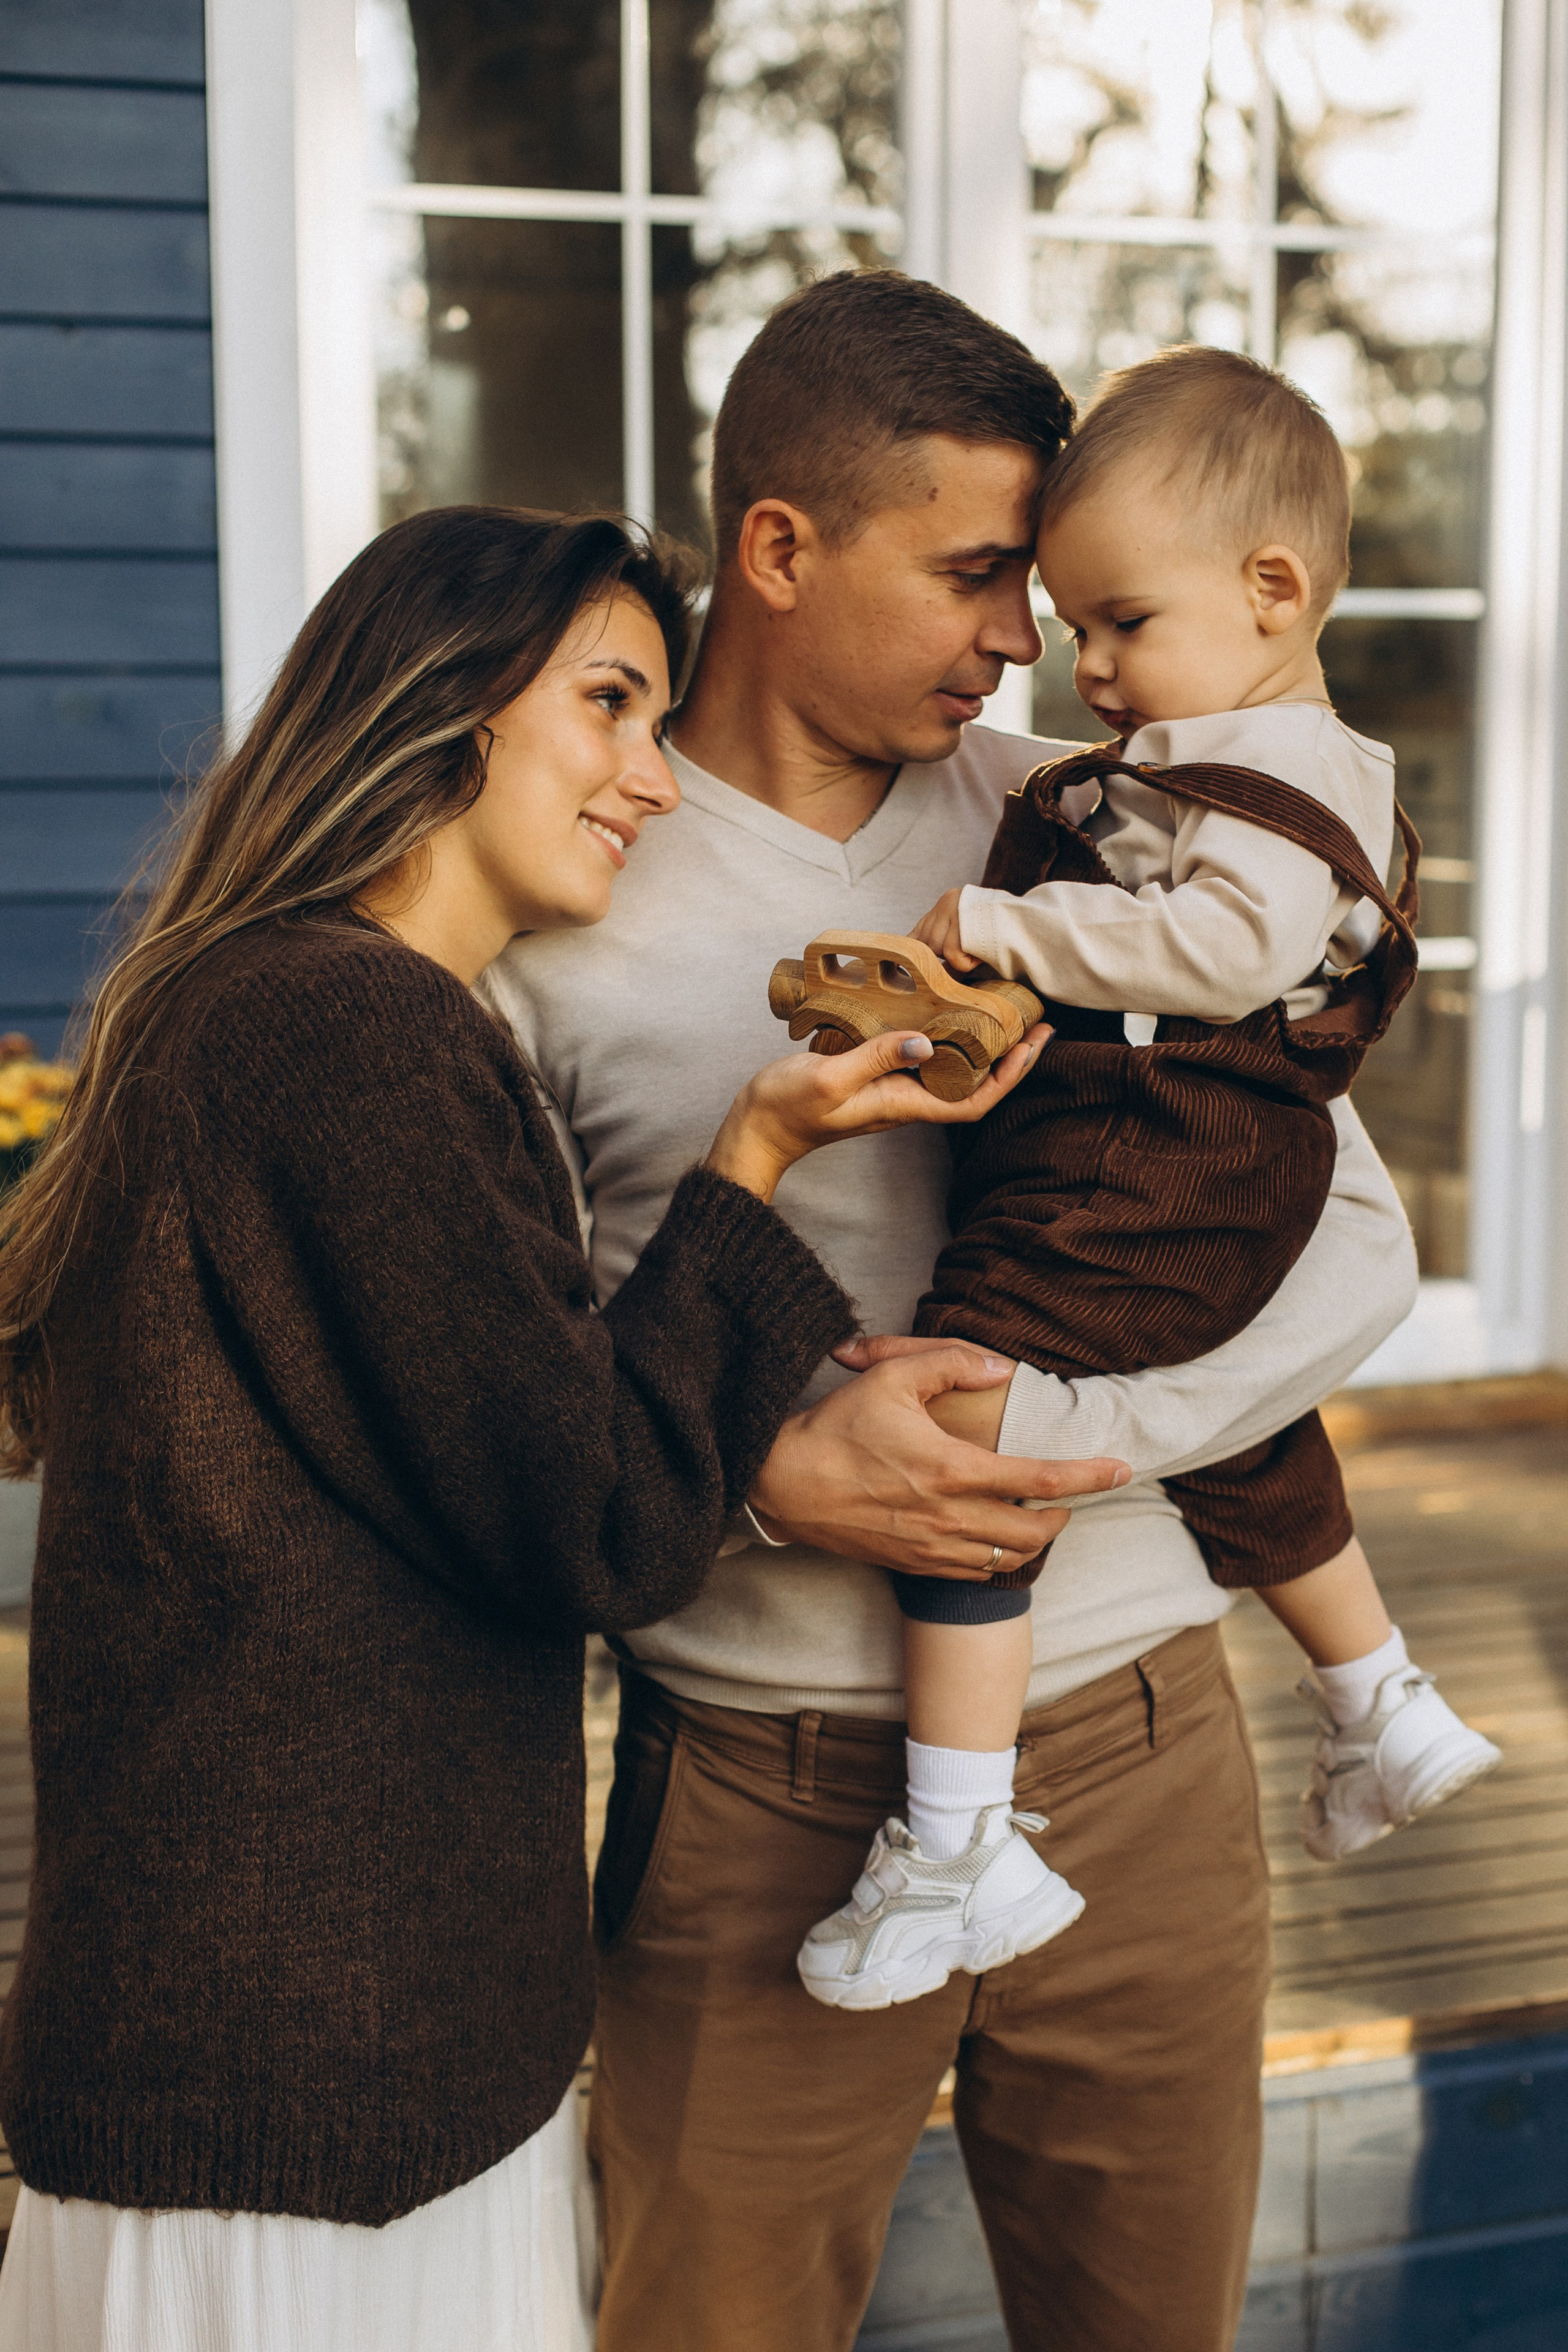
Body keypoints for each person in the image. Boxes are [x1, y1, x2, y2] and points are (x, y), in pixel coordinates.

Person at [0, 505, 1072, 2352]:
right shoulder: (352, 1034)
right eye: (608, 705)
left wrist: (751, 1195)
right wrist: (759, 1162)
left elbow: (484, 1440)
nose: (650, 781)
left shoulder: (258, 1004)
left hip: (282, 2043)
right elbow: (595, 1518)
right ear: (442, 701)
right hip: (321, 2100)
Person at [482, 272, 1420, 2352]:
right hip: (757, 1790)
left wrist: (1073, 1440)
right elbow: (512, 1407)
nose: (1031, 641)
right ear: (783, 550)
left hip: (1152, 1736)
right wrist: (776, 1486)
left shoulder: (1105, 833)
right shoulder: (556, 903)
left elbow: (1357, 1247)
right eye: (985, 575)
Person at [798, 346, 1501, 2011]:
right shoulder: (1244, 759)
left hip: (1150, 1152)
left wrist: (1004, 925)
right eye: (1069, 622)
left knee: (969, 1409)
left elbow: (1225, 944)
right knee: (1249, 1431)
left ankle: (960, 1838)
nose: (1083, 664)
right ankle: (1381, 1700)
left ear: (1273, 590)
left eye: (1120, 621)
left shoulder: (1274, 774)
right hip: (1211, 1163)